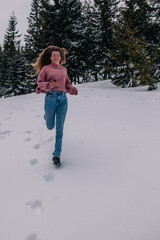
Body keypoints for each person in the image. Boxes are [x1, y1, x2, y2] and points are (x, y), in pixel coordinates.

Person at [34, 45, 78, 167]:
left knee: (60, 128)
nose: (56, 57)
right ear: (51, 57)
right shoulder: (46, 69)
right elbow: (40, 83)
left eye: (58, 55)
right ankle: (46, 117)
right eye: (54, 55)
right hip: (50, 99)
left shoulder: (64, 70)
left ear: (60, 57)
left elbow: (67, 84)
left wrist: (73, 90)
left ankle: (57, 155)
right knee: (50, 126)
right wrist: (49, 85)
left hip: (63, 100)